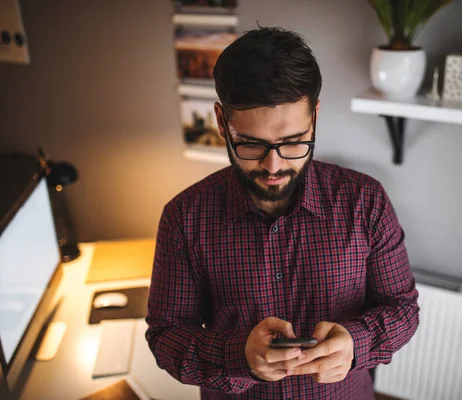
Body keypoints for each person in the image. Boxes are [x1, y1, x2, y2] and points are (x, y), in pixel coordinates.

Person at [146, 26, 419, 400]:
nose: (273, 165)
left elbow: (402, 309)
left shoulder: (365, 202)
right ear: (222, 121)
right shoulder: (184, 218)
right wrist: (237, 355)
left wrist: (357, 343)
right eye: (250, 144)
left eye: (292, 142)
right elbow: (166, 335)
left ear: (315, 116)